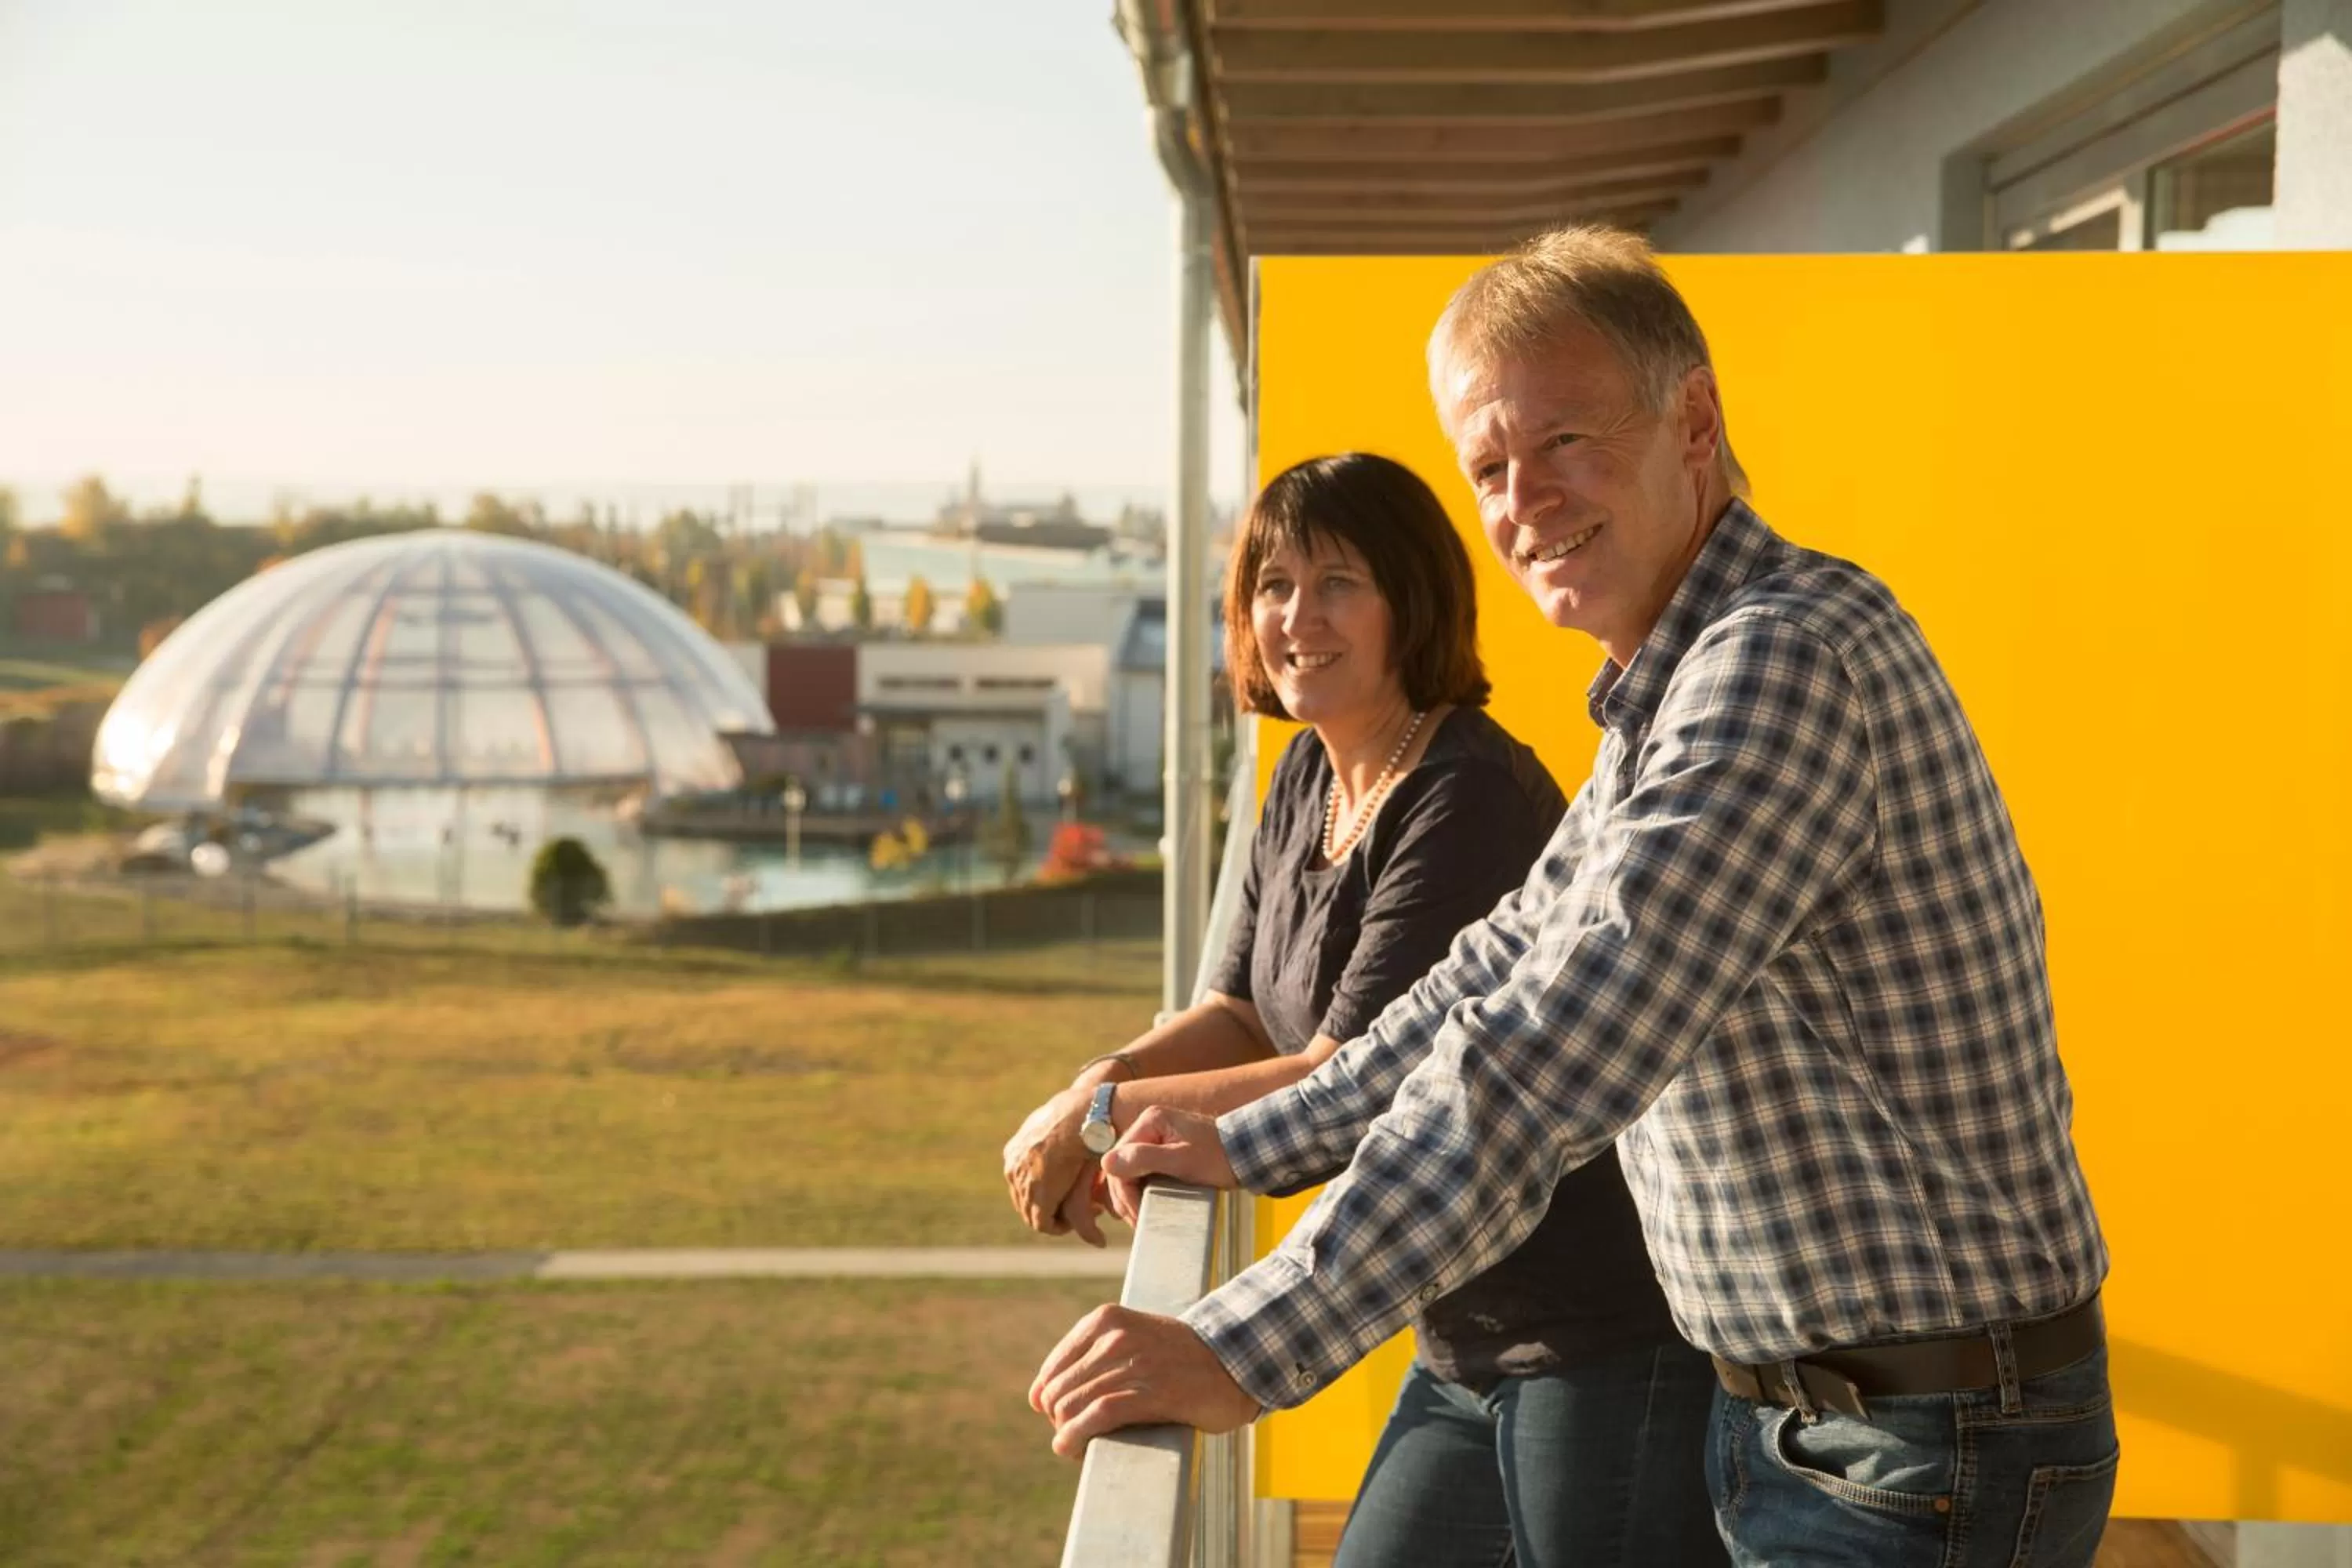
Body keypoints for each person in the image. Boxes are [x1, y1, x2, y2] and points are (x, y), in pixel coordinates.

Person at [1031, 226, 2116, 1568]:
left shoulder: (1781, 665)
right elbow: (1495, 974)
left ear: (1694, 421)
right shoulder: (1670, 694)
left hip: (1922, 1447)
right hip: (1819, 1420)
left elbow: (1551, 1053)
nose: (1526, 500)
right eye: (1490, 467)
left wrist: (1242, 1348)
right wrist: (1247, 1143)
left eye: (1565, 442)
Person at [1002, 451, 1722, 1566]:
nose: (1298, 618)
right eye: (1273, 585)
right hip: (1456, 1326)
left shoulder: (1464, 794)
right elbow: (1242, 1013)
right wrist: (1098, 1084)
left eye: (1338, 582)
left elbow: (1347, 1073)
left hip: (1599, 1339)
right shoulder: (1305, 774)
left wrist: (1098, 1120)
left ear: (1410, 601)